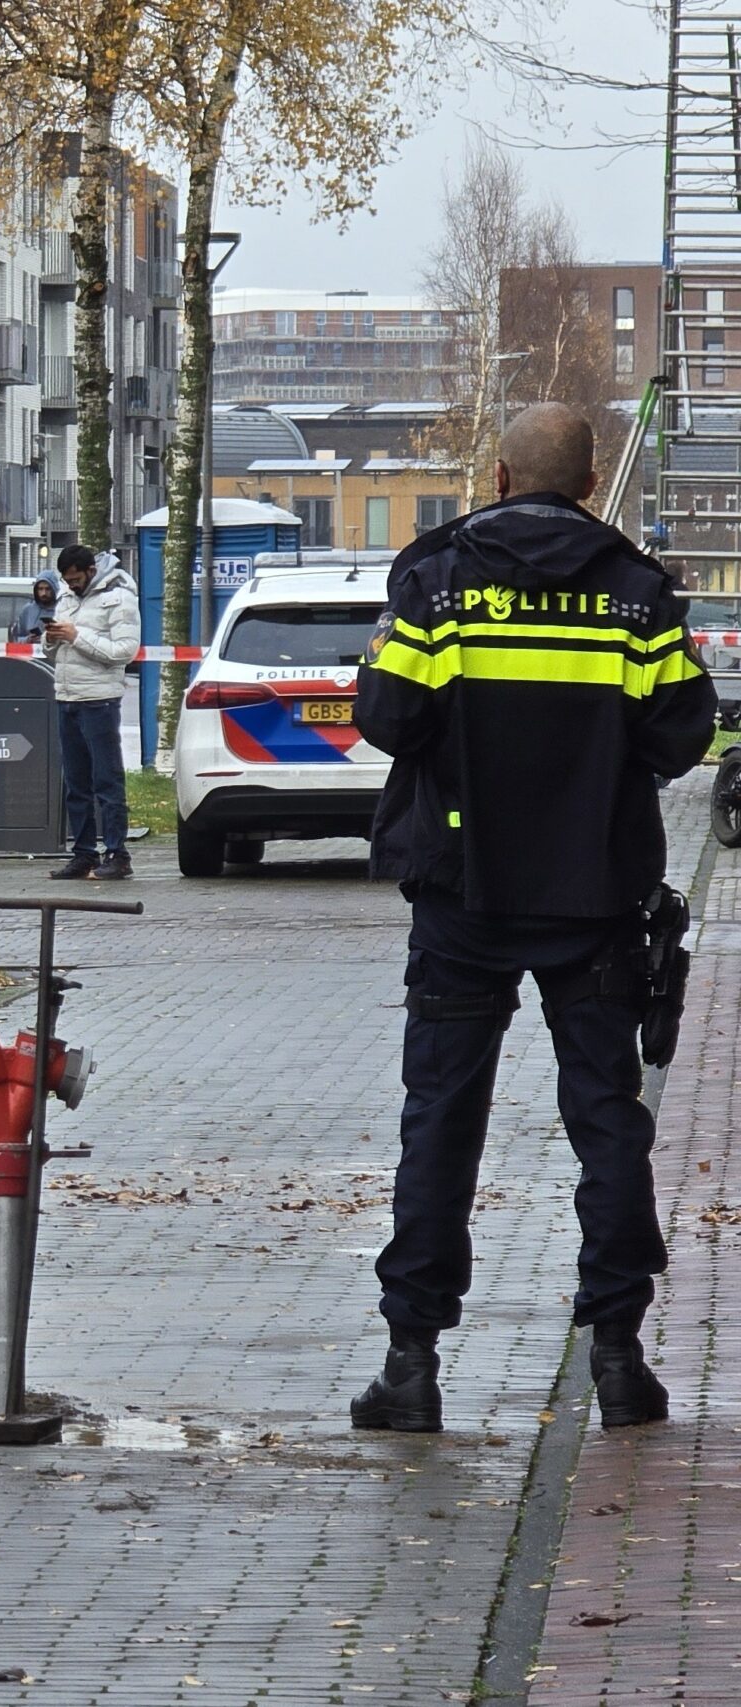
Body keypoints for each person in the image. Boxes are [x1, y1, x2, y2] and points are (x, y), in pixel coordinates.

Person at [351, 403, 715, 1434]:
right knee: (606, 1123)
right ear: (590, 483)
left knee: (441, 1123)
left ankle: (411, 1364)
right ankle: (616, 1356)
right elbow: (681, 732)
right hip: (593, 897)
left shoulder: (436, 584)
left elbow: (388, 717)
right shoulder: (637, 596)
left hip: (462, 895)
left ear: (500, 474)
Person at [43, 544, 140, 880]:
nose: (72, 586)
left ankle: (117, 854)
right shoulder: (67, 598)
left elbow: (125, 651)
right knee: (76, 783)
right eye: (67, 581)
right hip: (67, 696)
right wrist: (52, 637)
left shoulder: (119, 598)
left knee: (106, 780)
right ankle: (83, 854)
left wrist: (76, 635)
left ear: (91, 571)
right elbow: (54, 652)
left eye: (76, 579)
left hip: (99, 700)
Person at [10, 571, 60, 645]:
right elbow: (16, 637)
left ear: (54, 589)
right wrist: (27, 640)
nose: (44, 593)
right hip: (32, 654)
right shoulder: (28, 610)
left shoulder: (63, 608)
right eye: (40, 589)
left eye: (47, 589)